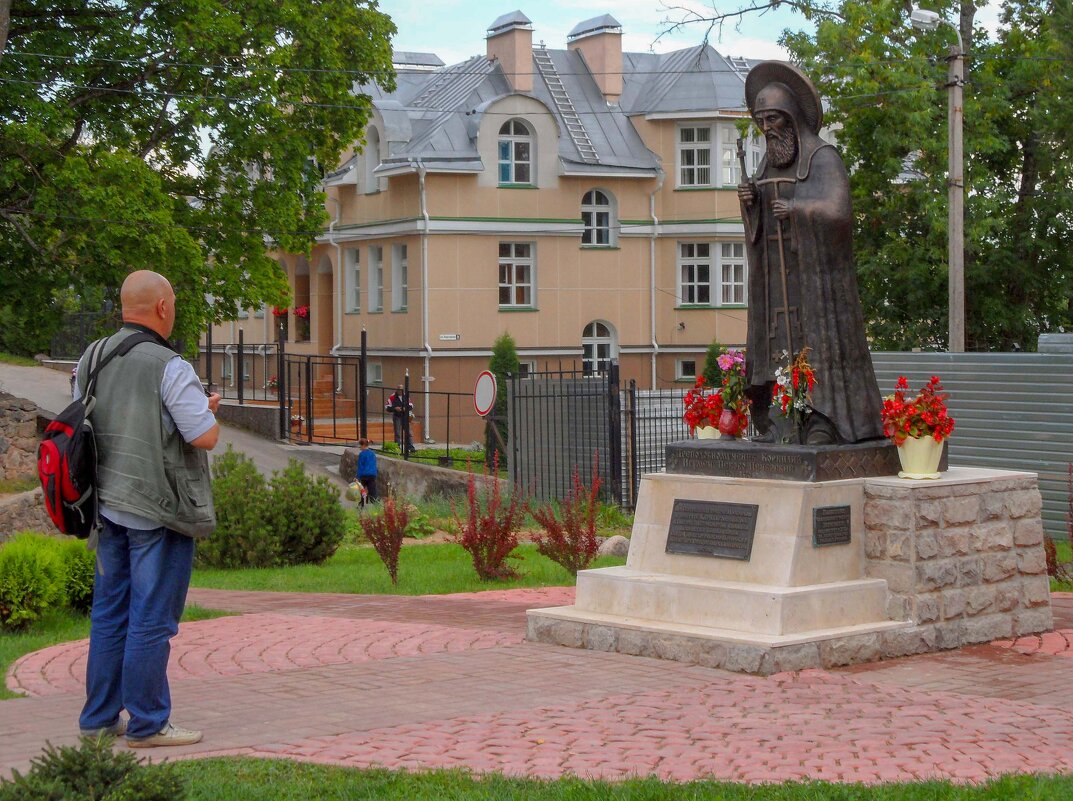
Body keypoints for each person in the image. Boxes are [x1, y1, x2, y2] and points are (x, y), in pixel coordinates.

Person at [75, 270, 221, 748]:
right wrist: (207, 408)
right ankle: (148, 722)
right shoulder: (169, 365)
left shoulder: (92, 356)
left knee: (109, 613)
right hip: (157, 510)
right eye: (173, 302)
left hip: (107, 505)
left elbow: (85, 417)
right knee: (152, 619)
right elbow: (204, 436)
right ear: (161, 307)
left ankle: (98, 720)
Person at [737, 61, 884, 445]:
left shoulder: (823, 158)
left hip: (816, 285)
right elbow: (759, 222)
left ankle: (825, 421)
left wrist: (798, 209)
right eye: (761, 120)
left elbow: (838, 211)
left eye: (774, 119)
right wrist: (750, 202)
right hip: (775, 281)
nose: (767, 128)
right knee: (777, 347)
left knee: (816, 349)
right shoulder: (768, 162)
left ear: (792, 117)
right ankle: (781, 420)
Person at [385, 384, 414, 453]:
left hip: (405, 416)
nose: (400, 391)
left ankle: (410, 446)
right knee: (397, 432)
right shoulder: (392, 397)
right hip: (397, 416)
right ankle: (397, 446)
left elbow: (411, 405)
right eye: (398, 389)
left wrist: (405, 408)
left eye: (401, 389)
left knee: (408, 432)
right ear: (397, 389)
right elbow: (387, 407)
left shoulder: (406, 396)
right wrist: (395, 408)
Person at [355, 438, 378, 506]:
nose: (359, 447)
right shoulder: (372, 453)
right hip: (372, 475)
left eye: (360, 445)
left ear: (363, 445)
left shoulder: (362, 454)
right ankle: (376, 504)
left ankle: (361, 504)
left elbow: (360, 466)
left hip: (364, 475)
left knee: (361, 489)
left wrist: (357, 477)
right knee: (372, 490)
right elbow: (374, 464)